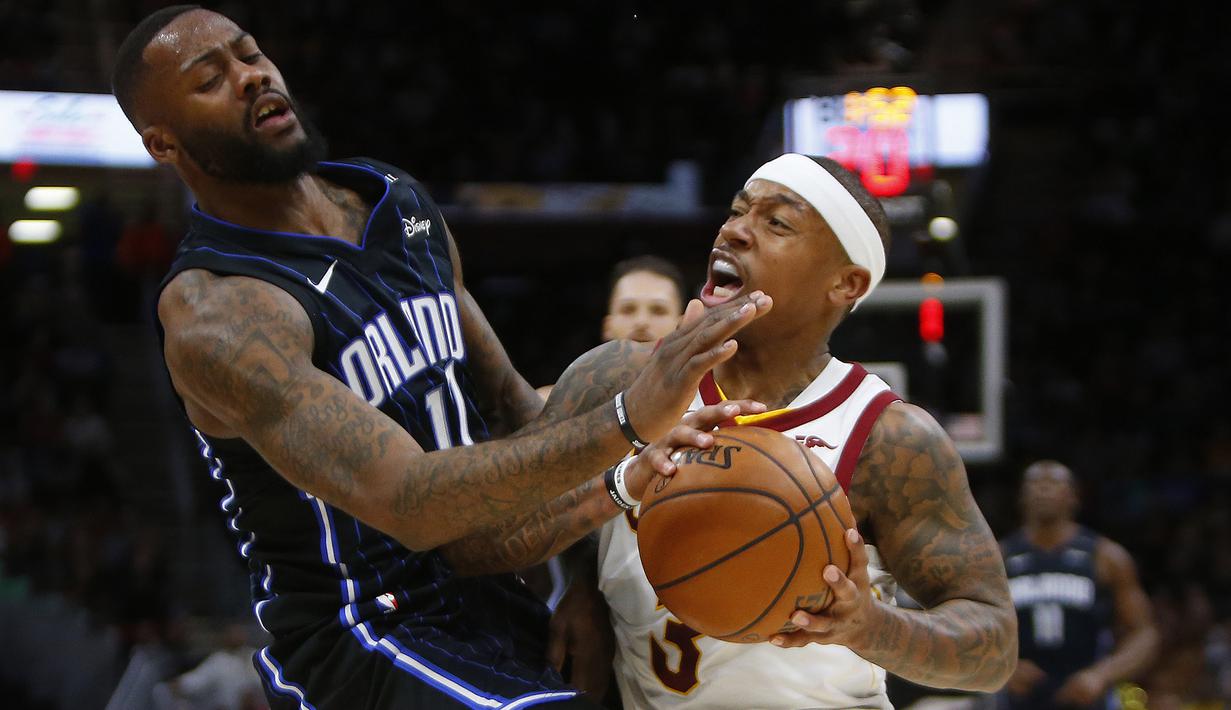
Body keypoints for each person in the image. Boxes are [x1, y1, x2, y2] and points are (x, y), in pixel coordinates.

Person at [113, 6, 772, 709]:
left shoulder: (393, 201)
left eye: (249, 55)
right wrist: (628, 425)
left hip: (495, 581)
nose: (249, 78)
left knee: (615, 368)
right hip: (365, 629)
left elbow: (516, 409)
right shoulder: (219, 310)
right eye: (210, 79)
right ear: (164, 142)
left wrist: (583, 577)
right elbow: (410, 502)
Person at [444, 153, 1020, 708]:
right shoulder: (617, 378)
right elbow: (479, 534)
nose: (736, 231)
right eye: (737, 210)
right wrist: (585, 580)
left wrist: (872, 627)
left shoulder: (887, 438)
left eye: (776, 223)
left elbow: (993, 647)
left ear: (844, 283)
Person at [1000, 460, 1159, 709]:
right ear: (1021, 496)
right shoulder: (999, 558)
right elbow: (971, 627)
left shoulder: (1106, 557)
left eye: (1052, 483)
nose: (1043, 489)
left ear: (1074, 497)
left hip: (1085, 691)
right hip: (1019, 696)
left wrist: (1102, 674)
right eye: (1035, 483)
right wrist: (1001, 666)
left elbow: (1145, 634)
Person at [536, 255, 686, 400]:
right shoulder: (551, 405)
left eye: (658, 310)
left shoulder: (706, 408)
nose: (641, 322)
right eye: (628, 309)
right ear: (607, 327)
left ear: (682, 325)